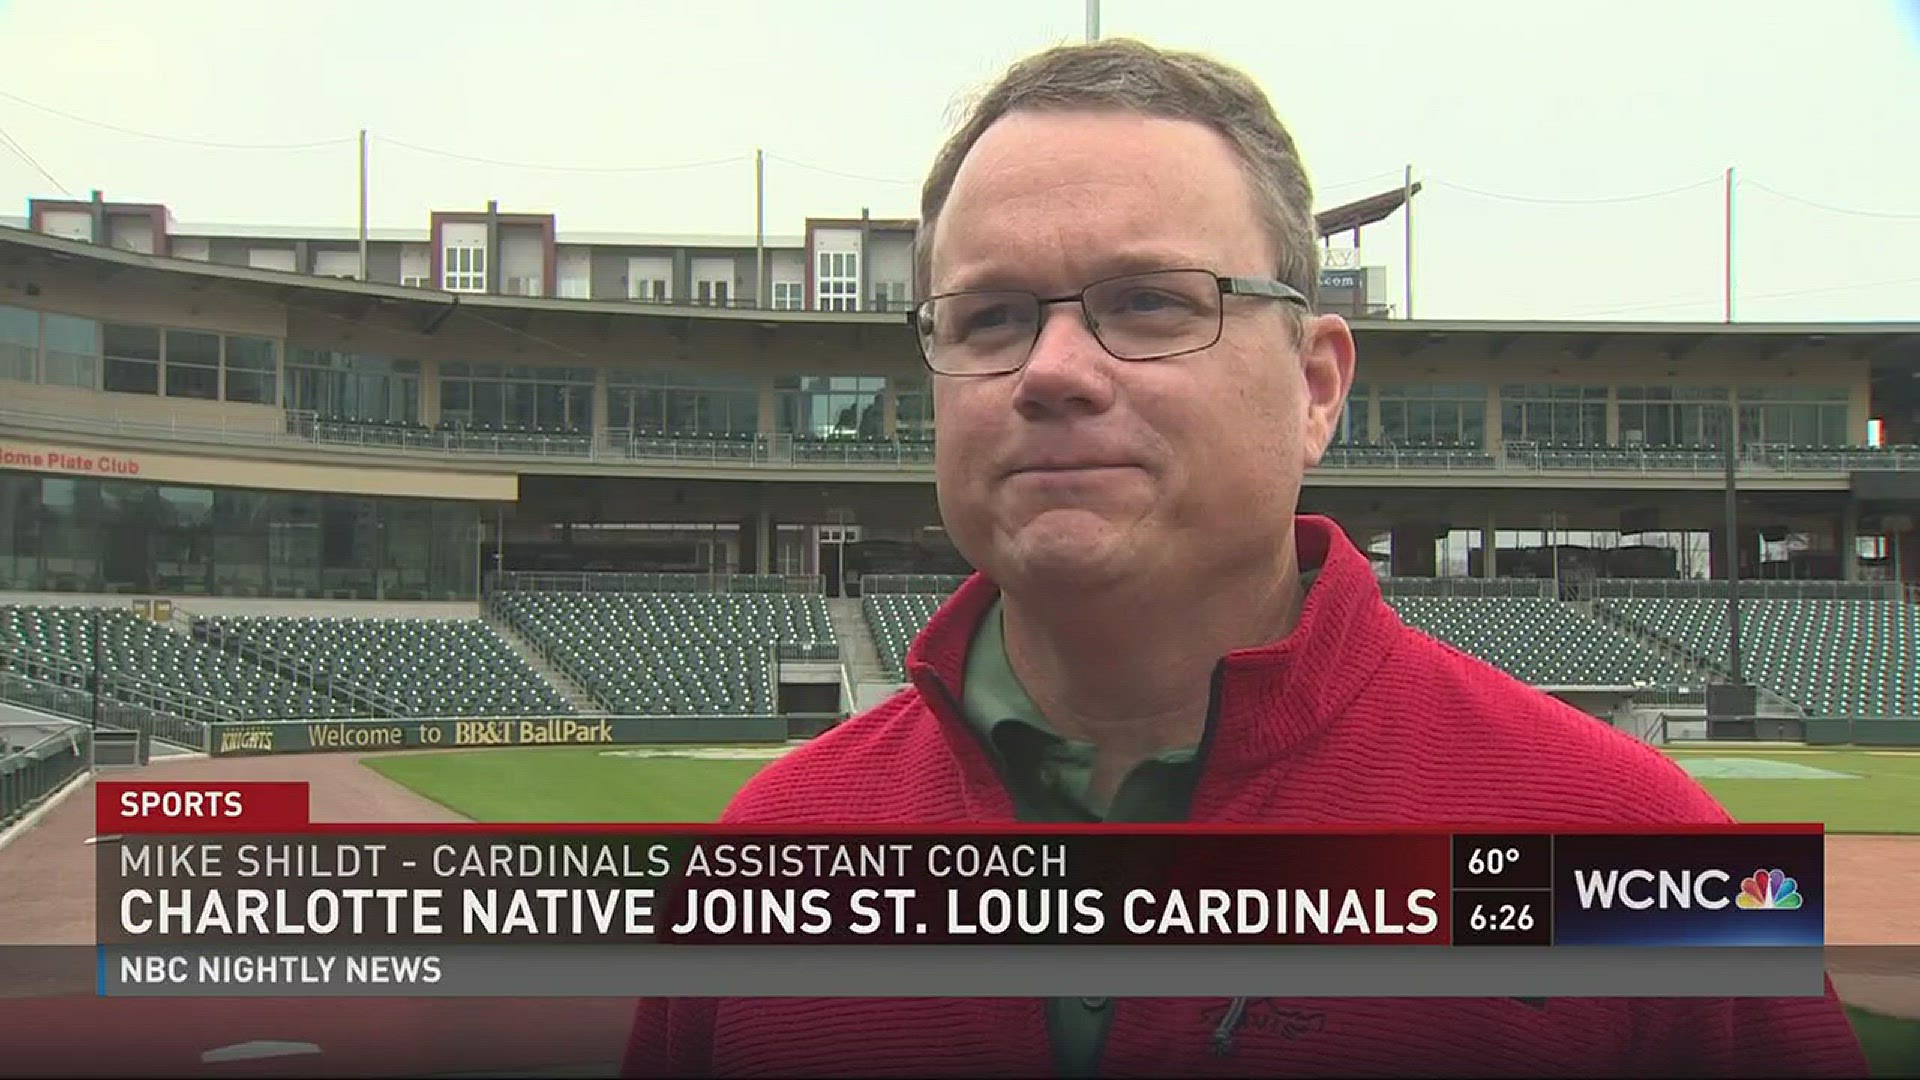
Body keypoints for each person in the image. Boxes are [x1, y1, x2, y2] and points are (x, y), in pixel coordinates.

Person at [623, 38, 1867, 1078]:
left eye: (1152, 302)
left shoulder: (1645, 862)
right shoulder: (762, 863)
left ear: (1317, 386)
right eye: (991, 317)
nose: (1053, 369)